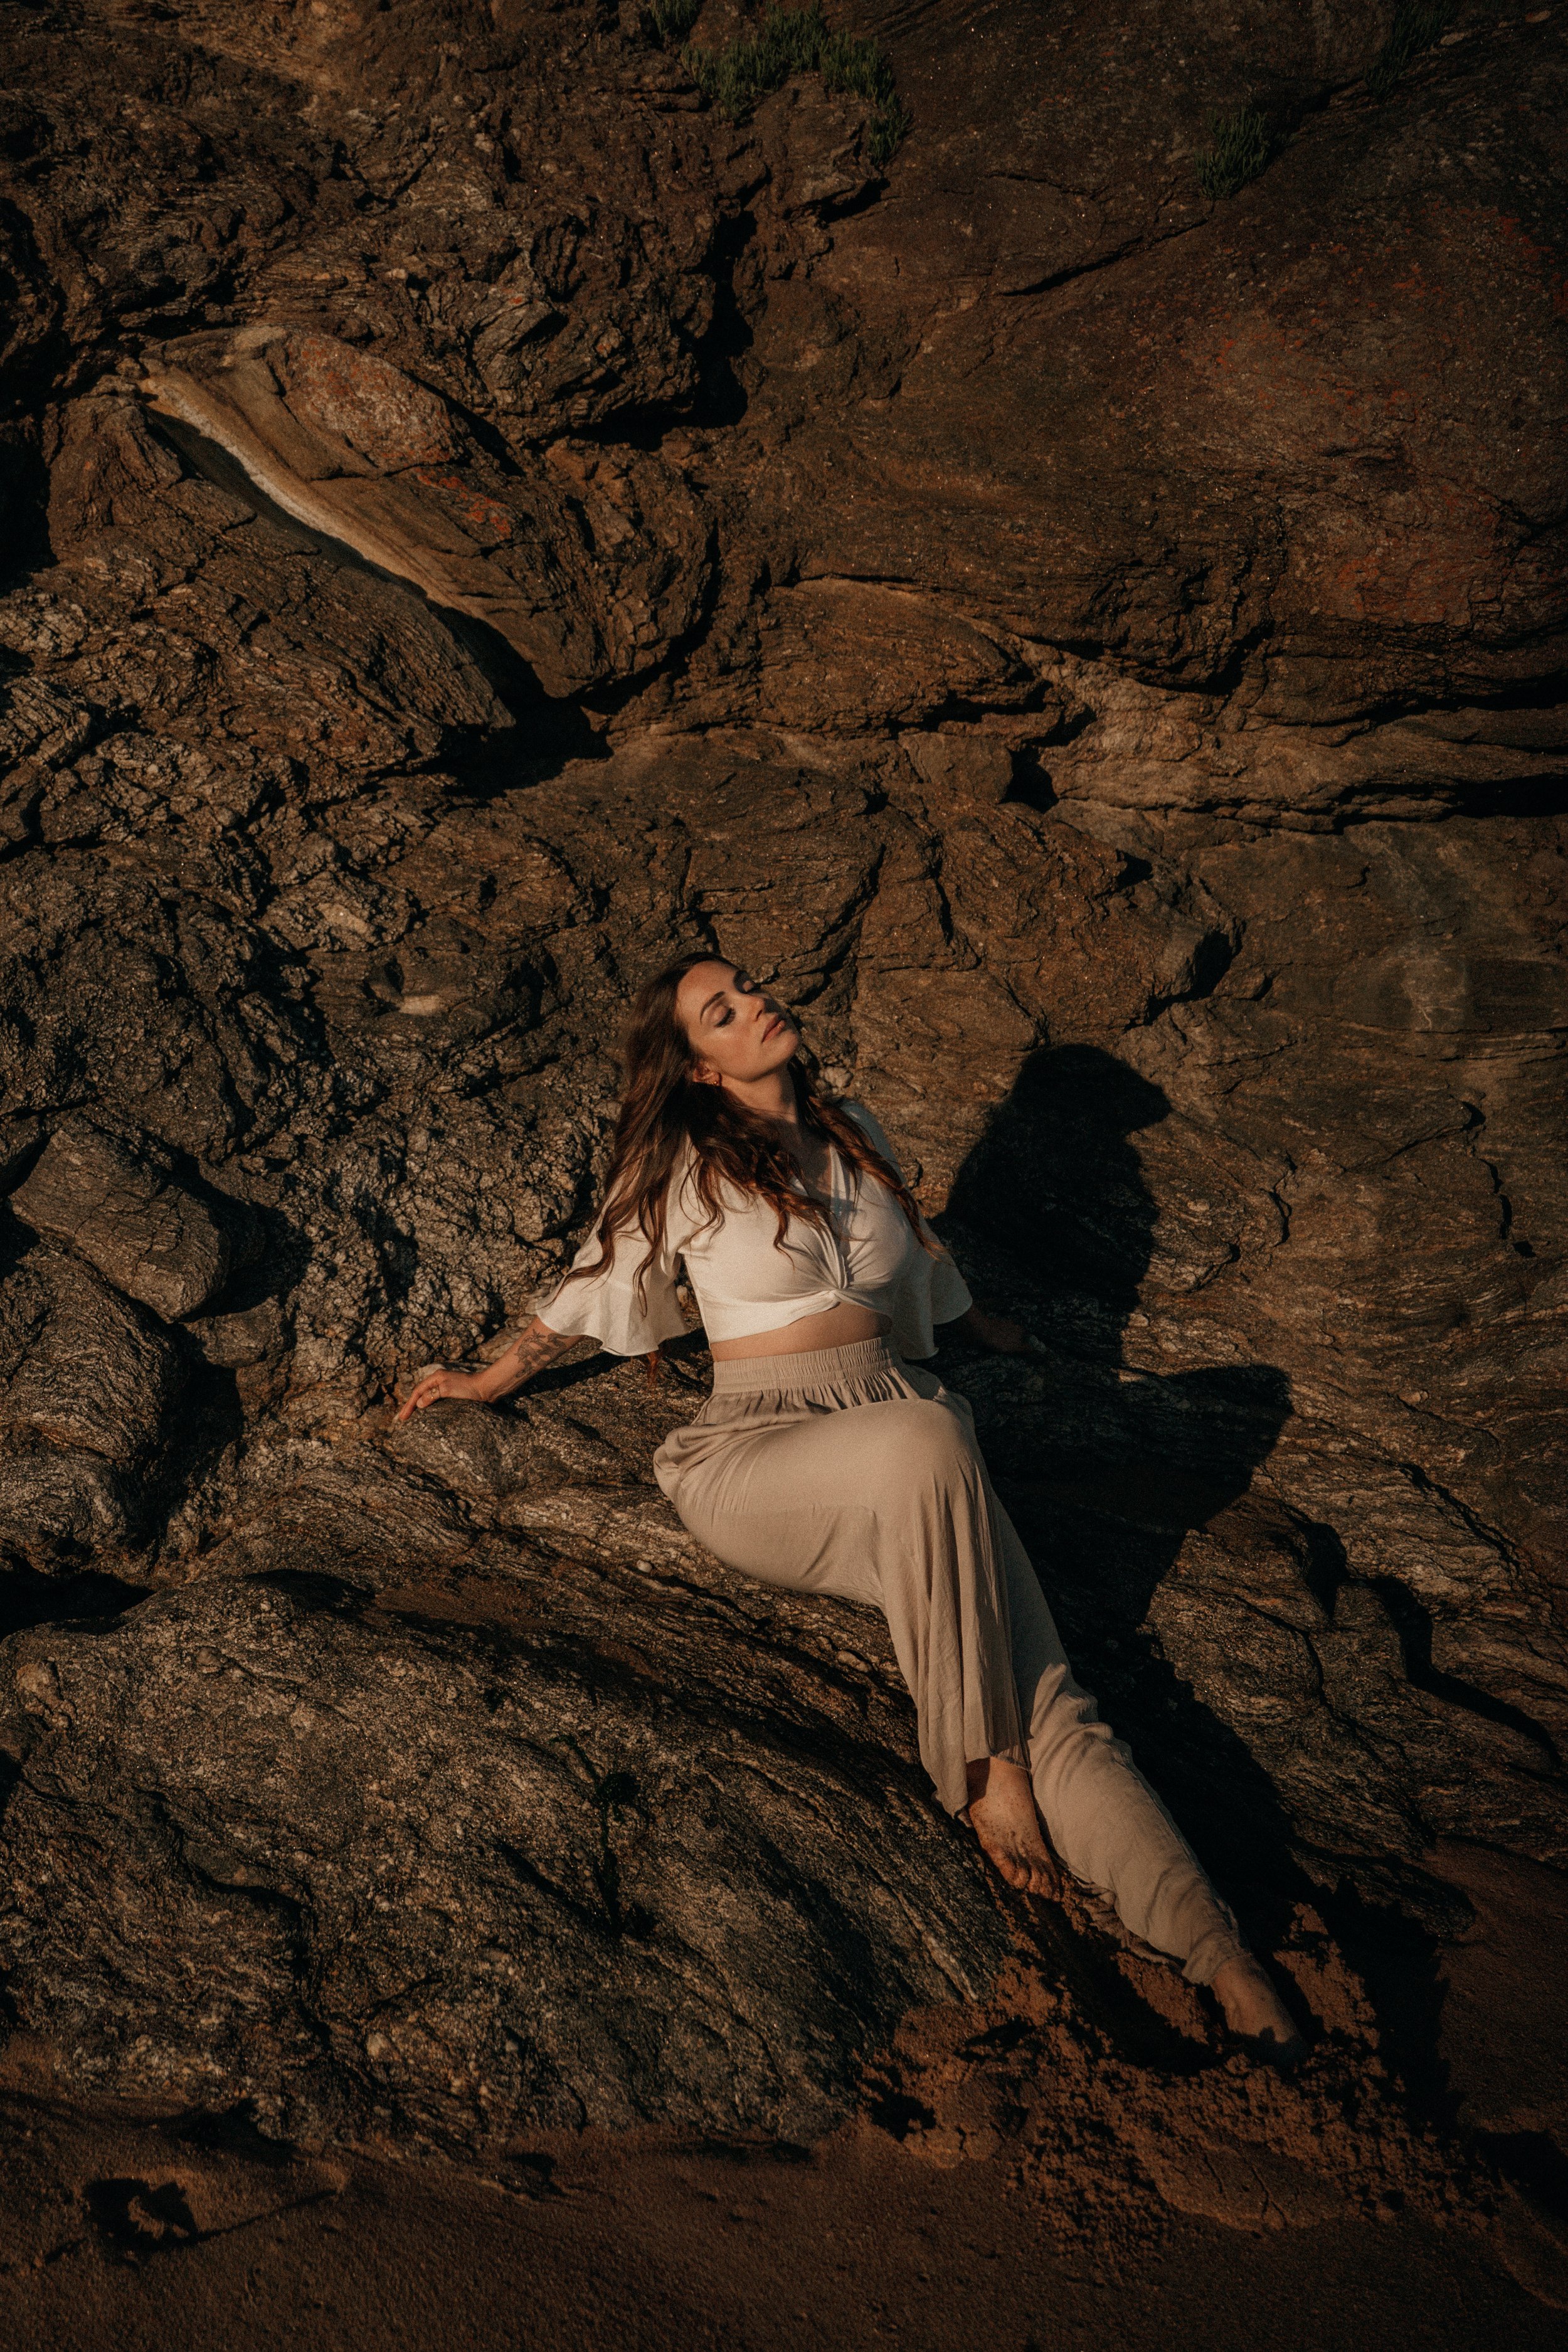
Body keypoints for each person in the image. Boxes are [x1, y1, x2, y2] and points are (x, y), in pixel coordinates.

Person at [398, 953, 1301, 2055]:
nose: (756, 1006)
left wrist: (993, 1334)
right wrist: (489, 1377)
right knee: (937, 1432)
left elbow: (922, 1265)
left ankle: (1220, 1954)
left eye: (748, 988)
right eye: (721, 1012)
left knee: (1052, 1686)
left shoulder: (855, 1128)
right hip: (763, 1452)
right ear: (697, 1064)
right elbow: (594, 1278)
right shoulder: (681, 1154)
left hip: (902, 1438)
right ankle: (988, 1774)